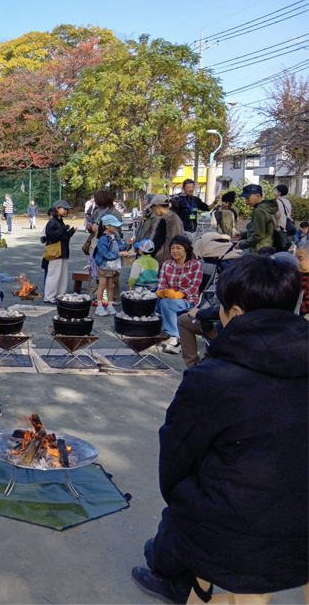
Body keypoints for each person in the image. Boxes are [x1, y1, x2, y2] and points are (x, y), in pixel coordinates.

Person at [132, 253, 309, 605]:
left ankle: (185, 579)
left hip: (237, 529)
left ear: (237, 314)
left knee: (192, 511)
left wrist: (183, 503)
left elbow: (177, 458)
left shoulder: (213, 380)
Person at [156, 235, 202, 355]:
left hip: (189, 300)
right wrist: (162, 292)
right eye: (172, 248)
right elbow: (161, 284)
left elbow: (194, 287)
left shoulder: (195, 265)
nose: (175, 251)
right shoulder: (166, 264)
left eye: (178, 248)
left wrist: (179, 294)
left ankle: (175, 337)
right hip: (168, 297)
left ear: (186, 249)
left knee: (165, 303)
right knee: (151, 299)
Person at [42, 199, 77, 304]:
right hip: (55, 253)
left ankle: (60, 295)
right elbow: (51, 236)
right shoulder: (52, 222)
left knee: (62, 275)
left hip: (62, 252)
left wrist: (70, 232)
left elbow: (63, 237)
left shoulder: (59, 221)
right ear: (57, 209)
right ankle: (49, 296)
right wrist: (64, 229)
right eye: (64, 209)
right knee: (53, 275)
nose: (66, 211)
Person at [93, 214, 128, 316]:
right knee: (102, 286)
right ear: (107, 226)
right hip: (104, 265)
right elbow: (106, 253)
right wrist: (119, 254)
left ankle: (110, 305)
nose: (116, 228)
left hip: (113, 266)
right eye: (114, 226)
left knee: (110, 286)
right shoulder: (103, 239)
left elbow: (120, 246)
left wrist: (127, 244)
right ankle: (99, 306)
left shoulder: (113, 236)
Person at [237, 184, 277, 252]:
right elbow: (261, 230)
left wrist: (241, 245)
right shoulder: (267, 207)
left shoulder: (259, 211)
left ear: (257, 195)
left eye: (248, 197)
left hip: (259, 249)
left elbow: (258, 235)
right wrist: (243, 234)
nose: (246, 200)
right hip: (268, 247)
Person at [147, 195, 185, 265]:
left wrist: (147, 254)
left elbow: (157, 242)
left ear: (157, 206)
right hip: (177, 257)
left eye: (152, 208)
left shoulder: (165, 220)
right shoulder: (176, 217)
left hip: (164, 260)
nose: (153, 210)